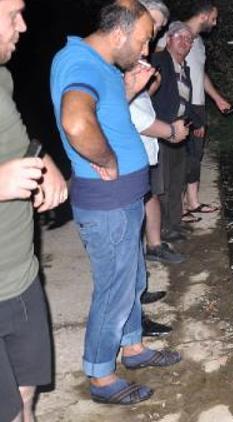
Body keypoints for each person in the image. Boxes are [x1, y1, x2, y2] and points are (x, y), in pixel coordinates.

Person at [50, 0, 180, 405]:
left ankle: (134, 348)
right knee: (114, 291)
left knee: (132, 280)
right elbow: (76, 121)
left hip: (123, 200)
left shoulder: (103, 67)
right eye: (143, 40)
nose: (145, 50)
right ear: (120, 32)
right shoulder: (81, 62)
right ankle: (102, 376)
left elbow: (104, 113)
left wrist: (128, 91)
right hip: (107, 203)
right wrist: (105, 159)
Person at [0, 0, 68, 420]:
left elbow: (16, 135)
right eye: (11, 15)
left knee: (25, 395)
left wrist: (45, 163)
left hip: (19, 275)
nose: (23, 26)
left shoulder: (1, 77)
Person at [158, 0, 229, 219]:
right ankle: (177, 208)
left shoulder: (197, 43)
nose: (215, 24)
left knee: (194, 155)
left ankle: (193, 202)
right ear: (204, 15)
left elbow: (200, 74)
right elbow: (160, 67)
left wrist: (217, 99)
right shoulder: (175, 34)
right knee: (177, 157)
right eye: (214, 18)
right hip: (179, 107)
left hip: (197, 105)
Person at [130, 0, 188, 266]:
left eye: (159, 27)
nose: (154, 34)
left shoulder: (142, 57)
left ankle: (155, 245)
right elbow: (127, 111)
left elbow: (138, 100)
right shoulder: (124, 58)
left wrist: (148, 88)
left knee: (152, 193)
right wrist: (169, 131)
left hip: (148, 147)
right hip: (138, 146)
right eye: (152, 25)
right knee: (135, 210)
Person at [151, 21, 204, 242]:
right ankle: (163, 229)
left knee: (177, 180)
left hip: (180, 131)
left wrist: (197, 121)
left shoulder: (185, 69)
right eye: (179, 37)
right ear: (169, 39)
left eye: (188, 39)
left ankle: (175, 224)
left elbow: (186, 103)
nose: (185, 42)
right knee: (161, 185)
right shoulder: (158, 62)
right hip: (162, 131)